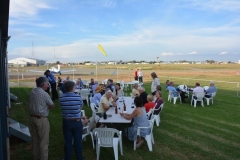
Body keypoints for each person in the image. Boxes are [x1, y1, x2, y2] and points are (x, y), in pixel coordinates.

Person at [29, 77, 55, 160]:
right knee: (44, 142)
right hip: (42, 119)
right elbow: (52, 105)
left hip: (32, 118)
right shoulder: (44, 94)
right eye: (47, 83)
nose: (48, 85)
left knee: (35, 140)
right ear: (44, 84)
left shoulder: (32, 91)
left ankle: (35, 157)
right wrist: (46, 106)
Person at [59, 81, 84, 160]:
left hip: (66, 121)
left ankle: (67, 158)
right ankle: (79, 158)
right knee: (78, 142)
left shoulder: (61, 97)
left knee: (68, 141)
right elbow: (80, 107)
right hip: (77, 121)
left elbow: (62, 107)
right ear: (73, 88)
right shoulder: (78, 97)